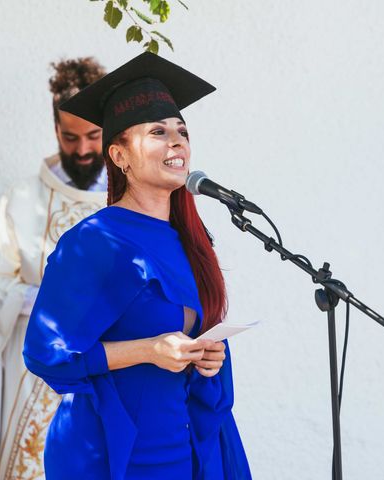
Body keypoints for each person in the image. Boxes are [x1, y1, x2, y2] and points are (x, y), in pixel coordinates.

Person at [22, 52, 251, 479]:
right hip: (113, 456)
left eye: (182, 132)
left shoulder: (191, 241)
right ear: (120, 155)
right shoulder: (96, 242)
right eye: (158, 132)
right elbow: (44, 353)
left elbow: (189, 341)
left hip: (183, 451)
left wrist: (210, 356)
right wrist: (148, 350)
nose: (177, 142)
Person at [0, 57, 107, 480]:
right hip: (32, 370)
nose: (84, 150)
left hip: (108, 370)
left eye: (93, 135)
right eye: (71, 137)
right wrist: (48, 300)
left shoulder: (129, 200)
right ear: (56, 128)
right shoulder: (20, 200)